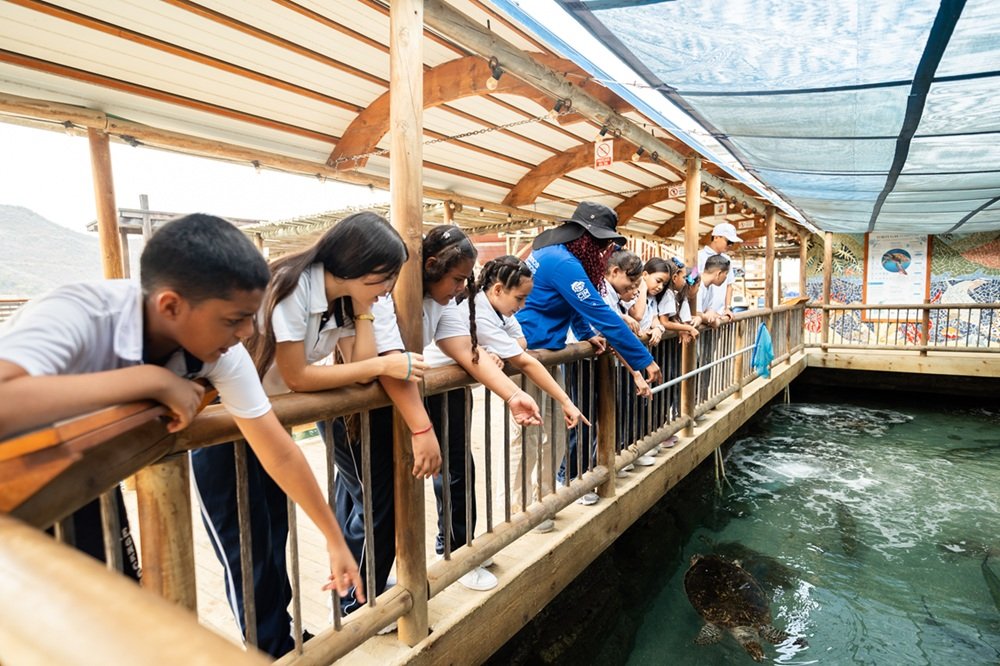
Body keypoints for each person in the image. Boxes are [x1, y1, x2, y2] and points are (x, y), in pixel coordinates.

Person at [0, 215, 363, 646]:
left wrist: (333, 538)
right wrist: (149, 382)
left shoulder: (219, 351)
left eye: (251, 318)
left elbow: (278, 450)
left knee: (114, 608)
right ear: (171, 306)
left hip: (79, 476)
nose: (247, 333)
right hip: (17, 481)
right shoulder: (79, 313)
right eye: (235, 319)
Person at [194, 212, 436, 647]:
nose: (389, 288)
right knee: (247, 548)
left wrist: (364, 311)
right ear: (359, 263)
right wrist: (383, 365)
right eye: (385, 276)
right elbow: (299, 376)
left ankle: (283, 637)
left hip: (267, 422)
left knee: (274, 536)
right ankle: (269, 648)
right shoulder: (293, 286)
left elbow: (359, 370)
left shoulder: (341, 300)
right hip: (222, 429)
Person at [418, 228, 543, 591]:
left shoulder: (445, 302)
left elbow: (466, 350)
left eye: (465, 280)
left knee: (458, 472)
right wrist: (420, 427)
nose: (462, 288)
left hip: (437, 392)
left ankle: (457, 550)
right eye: (457, 279)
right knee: (380, 498)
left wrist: (510, 394)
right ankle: (361, 594)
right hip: (417, 395)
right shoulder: (427, 299)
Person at [515, 202, 662, 499]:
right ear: (585, 238)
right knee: (528, 433)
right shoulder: (562, 262)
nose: (603, 251)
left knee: (555, 432)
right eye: (601, 244)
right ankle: (520, 506)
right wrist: (644, 359)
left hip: (548, 353)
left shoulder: (557, 255)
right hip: (526, 352)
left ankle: (544, 498)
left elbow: (575, 305)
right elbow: (601, 313)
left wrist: (585, 335)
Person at [468, 256, 588, 531]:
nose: (522, 306)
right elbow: (523, 359)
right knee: (520, 441)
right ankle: (515, 513)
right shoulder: (480, 313)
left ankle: (538, 502)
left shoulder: (501, 312)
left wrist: (495, 350)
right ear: (498, 289)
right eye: (519, 298)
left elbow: (520, 341)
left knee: (541, 438)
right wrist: (566, 400)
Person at [698, 222, 741, 315]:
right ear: (716, 237)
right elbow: (691, 279)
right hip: (702, 314)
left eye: (732, 243)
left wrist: (727, 308)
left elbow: (729, 285)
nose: (730, 245)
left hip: (720, 314)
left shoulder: (727, 260)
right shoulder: (698, 257)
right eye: (728, 241)